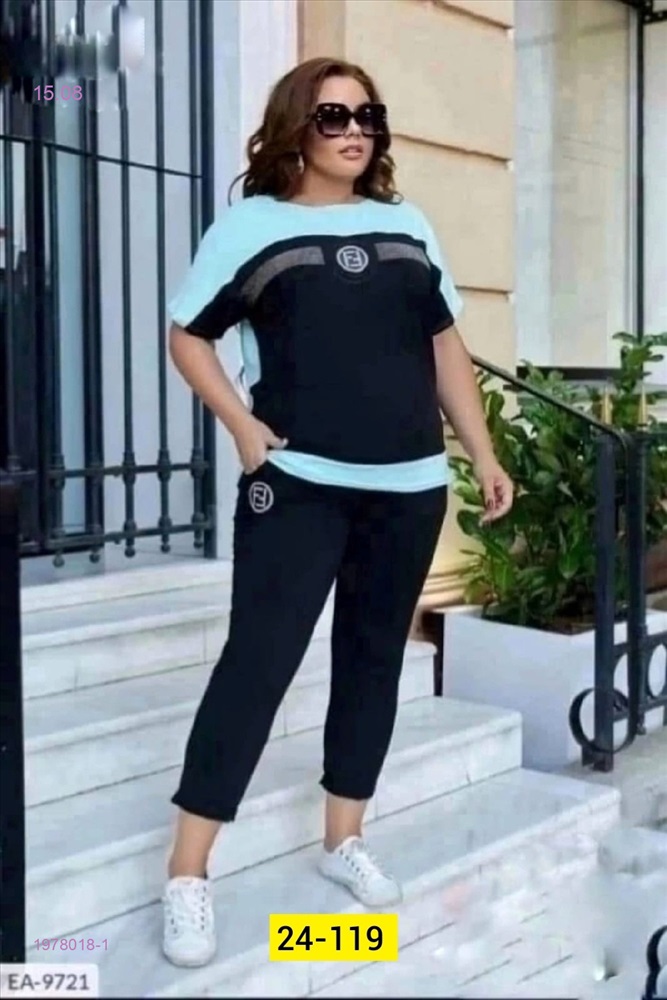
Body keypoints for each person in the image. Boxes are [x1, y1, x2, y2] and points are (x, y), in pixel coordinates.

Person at [163, 55, 513, 968]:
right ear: (296, 127)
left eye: (367, 116)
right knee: (259, 662)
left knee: (371, 661)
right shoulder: (252, 227)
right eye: (332, 116)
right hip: (299, 484)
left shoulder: (406, 225)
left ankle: (343, 838)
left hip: (407, 488)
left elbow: (443, 345)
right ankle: (188, 874)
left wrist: (480, 451)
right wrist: (242, 428)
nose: (354, 131)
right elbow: (187, 335)